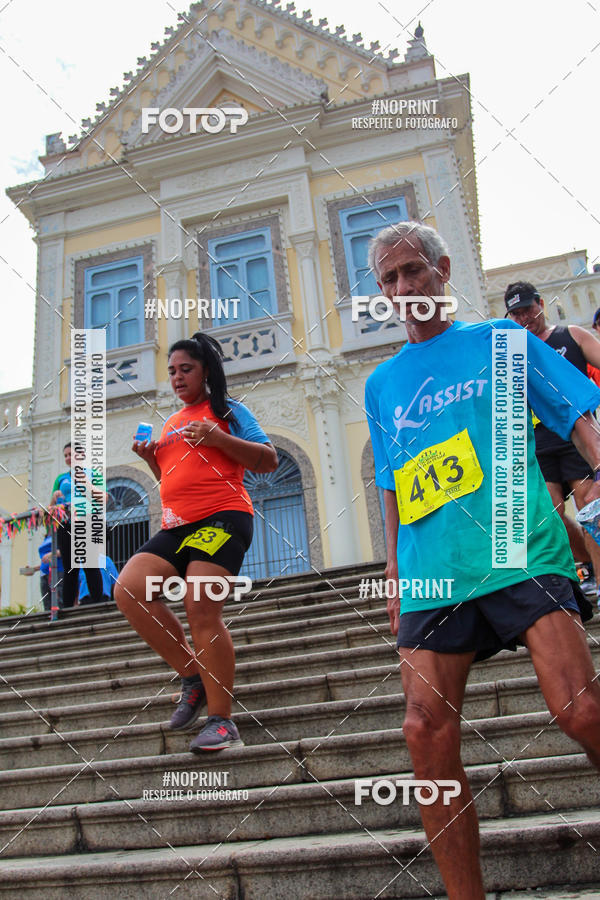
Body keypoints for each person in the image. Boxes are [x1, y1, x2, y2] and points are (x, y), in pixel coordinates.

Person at [364, 220, 600, 900]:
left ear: (442, 270)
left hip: (517, 544)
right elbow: (392, 481)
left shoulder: (501, 342)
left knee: (580, 711)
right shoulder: (383, 385)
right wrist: (392, 573)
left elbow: (575, 409)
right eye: (389, 279)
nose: (403, 287)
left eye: (413, 271)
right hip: (434, 568)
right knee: (422, 732)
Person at [114, 332, 277, 752]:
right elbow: (172, 483)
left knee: (200, 603)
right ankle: (193, 676)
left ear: (206, 371)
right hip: (177, 526)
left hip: (224, 517)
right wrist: (152, 460)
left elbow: (268, 459)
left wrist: (218, 437)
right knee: (129, 589)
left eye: (186, 369)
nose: (177, 377)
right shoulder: (170, 423)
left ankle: (222, 721)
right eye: (171, 371)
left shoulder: (228, 410)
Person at [504, 282, 600, 601]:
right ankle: (585, 564)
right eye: (516, 314)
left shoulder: (569, 335)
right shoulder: (511, 354)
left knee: (590, 505)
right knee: (550, 513)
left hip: (576, 436)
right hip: (538, 444)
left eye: (528, 309)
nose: (525, 318)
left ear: (541, 304)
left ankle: (599, 579)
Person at [51, 442, 104, 607]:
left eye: (71, 454)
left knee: (91, 564)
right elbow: (52, 507)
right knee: (69, 567)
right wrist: (54, 497)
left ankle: (98, 603)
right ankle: (67, 607)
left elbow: (103, 498)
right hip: (67, 523)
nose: (68, 458)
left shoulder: (94, 473)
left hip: (88, 520)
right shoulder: (61, 478)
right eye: (65, 455)